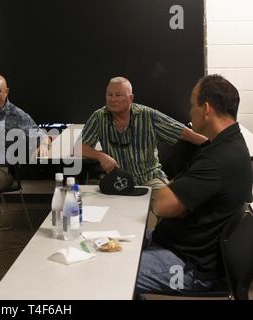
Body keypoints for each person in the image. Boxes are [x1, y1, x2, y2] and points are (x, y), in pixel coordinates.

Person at [136, 74, 252, 294]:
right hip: (176, 244)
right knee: (116, 245)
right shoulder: (229, 143)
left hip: (190, 268)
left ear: (206, 109)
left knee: (115, 272)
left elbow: (161, 206)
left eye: (193, 105)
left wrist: (174, 191)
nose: (190, 112)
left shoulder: (218, 159)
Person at [81, 76, 208, 201]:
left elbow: (185, 133)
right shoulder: (99, 117)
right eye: (109, 95)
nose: (113, 99)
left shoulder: (148, 115)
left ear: (131, 98)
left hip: (150, 178)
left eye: (118, 95)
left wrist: (218, 145)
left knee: (170, 205)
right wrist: (101, 156)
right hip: (118, 181)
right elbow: (81, 147)